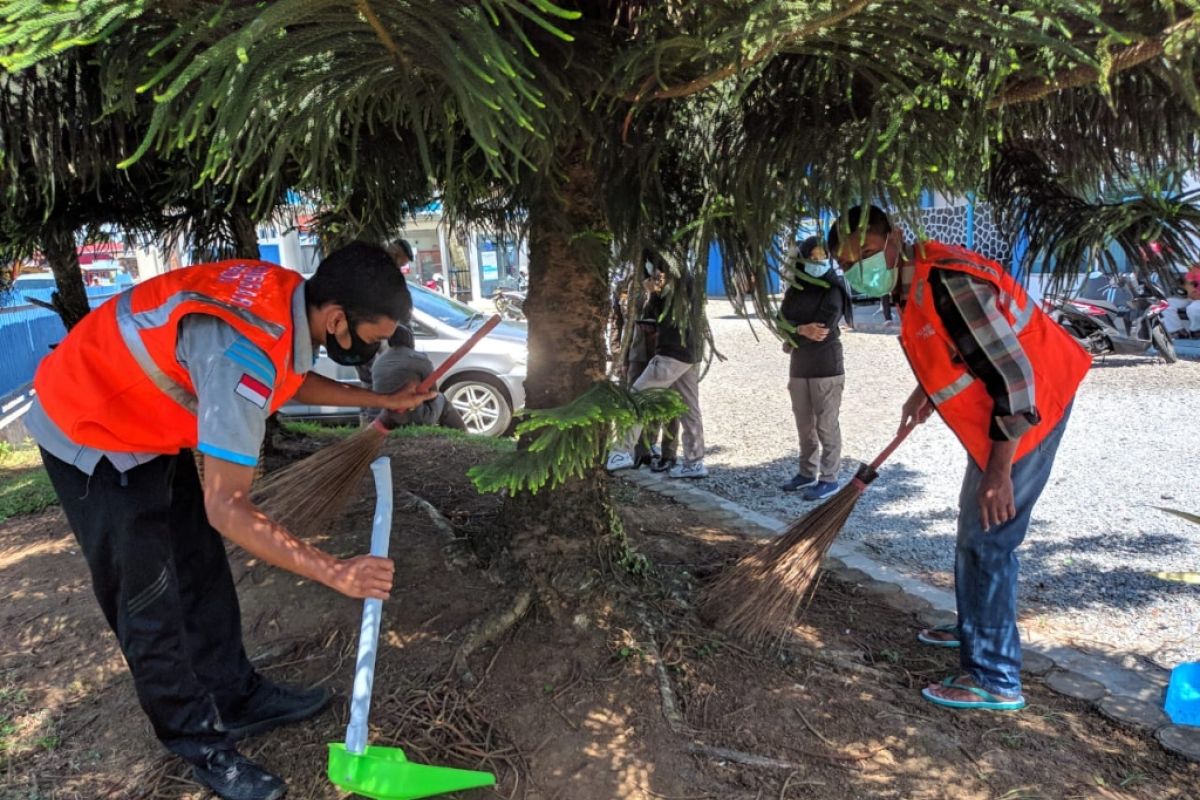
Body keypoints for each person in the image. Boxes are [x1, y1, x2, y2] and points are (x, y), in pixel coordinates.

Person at [24, 243, 436, 800]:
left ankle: (236, 695)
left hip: (144, 420)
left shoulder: (288, 295)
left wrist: (375, 396)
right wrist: (336, 571)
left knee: (199, 566)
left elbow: (283, 381)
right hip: (90, 429)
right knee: (148, 600)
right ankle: (201, 745)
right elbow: (230, 508)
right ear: (337, 320)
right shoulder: (242, 352)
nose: (377, 346)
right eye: (373, 336)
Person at [830, 206, 1090, 713]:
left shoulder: (946, 281)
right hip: (1008, 408)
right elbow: (964, 348)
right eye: (849, 262)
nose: (860, 266)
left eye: (866, 251)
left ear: (895, 238)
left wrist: (998, 473)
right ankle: (974, 625)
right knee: (975, 528)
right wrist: (925, 390)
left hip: (1031, 407)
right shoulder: (915, 275)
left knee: (989, 537)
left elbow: (1015, 382)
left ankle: (994, 676)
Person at [606, 262, 705, 479]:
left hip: (672, 351)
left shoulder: (677, 282)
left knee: (636, 396)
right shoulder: (685, 280)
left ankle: (621, 451)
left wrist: (654, 293)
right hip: (690, 352)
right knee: (689, 407)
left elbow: (663, 314)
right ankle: (694, 461)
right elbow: (655, 314)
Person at [778, 236, 849, 500]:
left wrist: (791, 336)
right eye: (813, 257)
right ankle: (806, 473)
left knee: (826, 425)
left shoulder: (833, 288)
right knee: (804, 423)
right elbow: (780, 320)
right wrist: (798, 330)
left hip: (826, 365)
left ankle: (829, 478)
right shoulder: (795, 288)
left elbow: (821, 329)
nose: (818, 262)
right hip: (799, 367)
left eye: (822, 256)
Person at [370, 323, 467, 431]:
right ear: (411, 340)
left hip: (385, 417)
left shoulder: (379, 361)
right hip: (413, 415)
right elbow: (433, 392)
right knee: (441, 398)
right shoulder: (419, 359)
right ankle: (462, 433)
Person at [1163, 263, 1200, 339]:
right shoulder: (1195, 268)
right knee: (1166, 304)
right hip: (1193, 296)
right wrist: (1190, 292)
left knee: (1193, 308)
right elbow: (1188, 284)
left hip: (1197, 299)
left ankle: (1196, 331)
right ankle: (1177, 331)